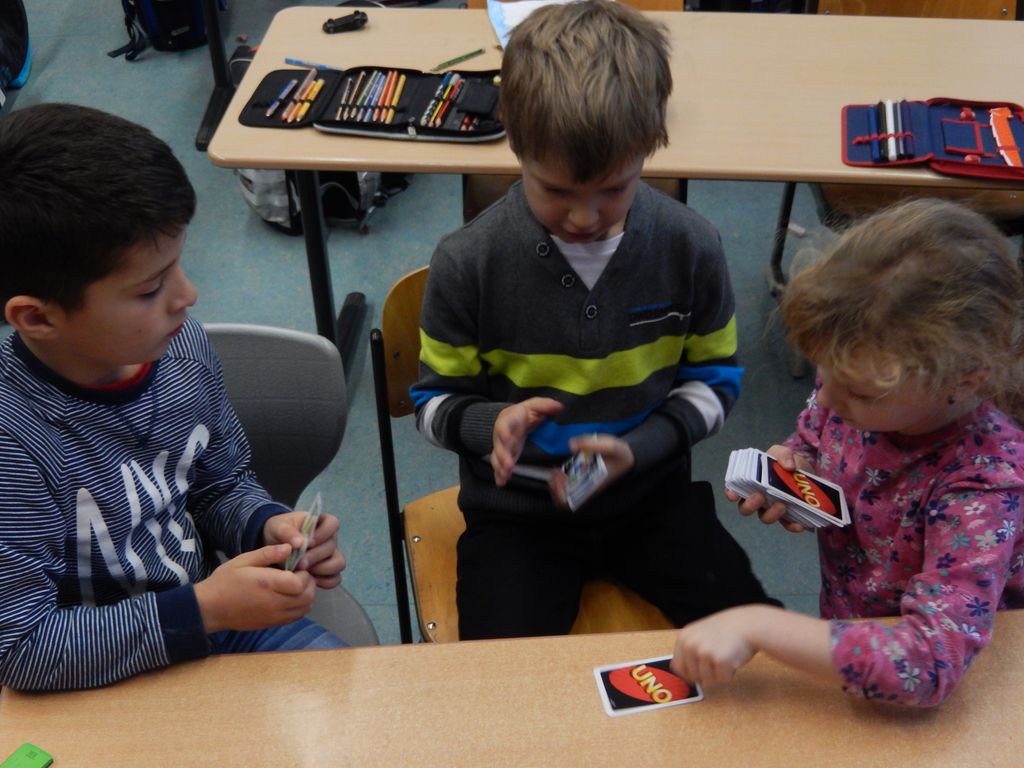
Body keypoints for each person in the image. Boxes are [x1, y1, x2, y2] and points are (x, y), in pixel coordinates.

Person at [412, 0, 776, 640]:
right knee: (497, 679)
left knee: (756, 642)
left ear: (649, 147)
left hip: (652, 497)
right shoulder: (468, 262)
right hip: (518, 514)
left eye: (614, 188)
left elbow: (715, 384)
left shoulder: (691, 247)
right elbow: (433, 402)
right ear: (517, 145)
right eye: (556, 190)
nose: (585, 217)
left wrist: (640, 449)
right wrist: (489, 423)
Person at [0, 103, 348, 692]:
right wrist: (202, 610)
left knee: (355, 711)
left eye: (179, 264)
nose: (188, 296)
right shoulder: (14, 443)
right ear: (37, 318)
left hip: (215, 621)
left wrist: (267, 528)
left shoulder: (181, 349)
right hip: (84, 679)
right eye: (150, 288)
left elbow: (219, 484)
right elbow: (24, 649)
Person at [670, 198, 1024, 707]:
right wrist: (799, 467)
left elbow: (928, 661)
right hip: (854, 632)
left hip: (960, 690)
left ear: (963, 379)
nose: (829, 400)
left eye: (858, 392)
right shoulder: (864, 376)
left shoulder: (984, 484)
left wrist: (762, 625)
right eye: (823, 373)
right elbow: (817, 434)